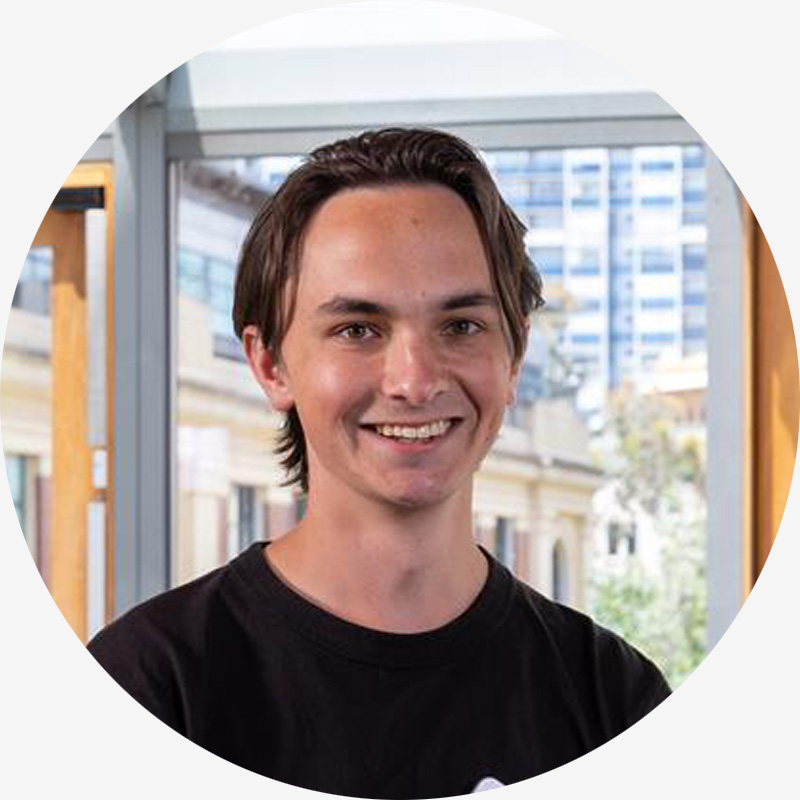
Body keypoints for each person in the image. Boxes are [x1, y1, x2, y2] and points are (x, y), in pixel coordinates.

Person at [88, 127, 670, 798]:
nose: (415, 381)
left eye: (461, 326)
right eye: (357, 329)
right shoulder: (147, 688)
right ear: (270, 363)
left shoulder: (615, 701)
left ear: (512, 357)